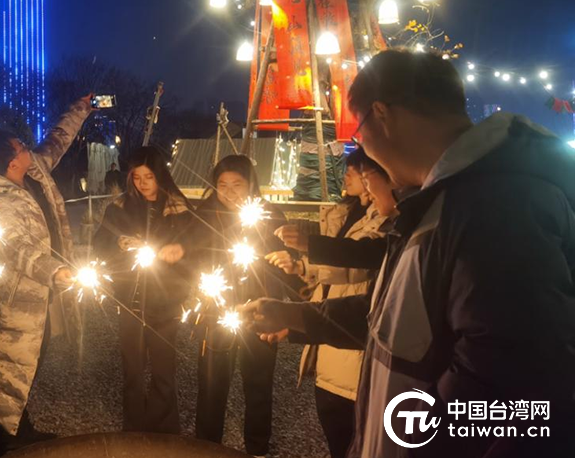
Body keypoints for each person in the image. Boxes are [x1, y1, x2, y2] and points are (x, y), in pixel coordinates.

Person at [243, 50, 575, 458]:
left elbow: (511, 383)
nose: (361, 147)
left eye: (359, 131)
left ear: (381, 114)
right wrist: (296, 316)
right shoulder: (441, 200)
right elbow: (399, 317)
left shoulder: (497, 203)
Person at [0, 95, 93, 458]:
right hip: (10, 303)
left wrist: (79, 109)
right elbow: (16, 248)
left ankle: (21, 427)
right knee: (0, 373)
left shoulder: (32, 174)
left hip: (39, 297)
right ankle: (1, 445)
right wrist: (58, 270)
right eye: (21, 146)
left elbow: (56, 143)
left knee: (26, 366)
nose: (27, 148)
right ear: (9, 161)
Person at [270, 149, 391, 458]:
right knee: (334, 425)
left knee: (355, 434)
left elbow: (361, 261)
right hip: (330, 337)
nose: (348, 175)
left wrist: (309, 248)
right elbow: (333, 273)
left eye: (359, 172)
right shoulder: (342, 212)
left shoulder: (392, 224)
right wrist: (301, 269)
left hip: (354, 346)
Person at [191, 154, 290, 457]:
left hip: (259, 312)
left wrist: (274, 307)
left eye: (237, 185)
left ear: (251, 186)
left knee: (258, 383)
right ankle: (207, 446)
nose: (229, 191)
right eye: (222, 185)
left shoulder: (269, 217)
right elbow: (191, 256)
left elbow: (282, 269)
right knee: (211, 383)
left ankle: (257, 448)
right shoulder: (206, 215)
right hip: (215, 313)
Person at [95, 146, 194, 435]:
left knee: (164, 370)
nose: (142, 183)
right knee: (133, 371)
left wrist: (180, 251)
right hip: (130, 299)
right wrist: (118, 243)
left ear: (160, 175)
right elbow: (100, 242)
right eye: (136, 177)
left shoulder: (178, 208)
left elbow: (196, 247)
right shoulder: (120, 207)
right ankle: (135, 431)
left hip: (167, 300)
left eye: (148, 176)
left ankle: (164, 431)